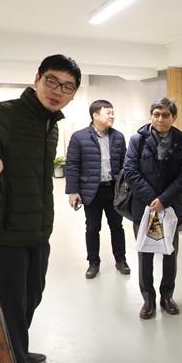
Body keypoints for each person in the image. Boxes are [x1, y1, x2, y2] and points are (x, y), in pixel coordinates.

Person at [0, 54, 81, 363]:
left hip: (37, 230)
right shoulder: (7, 113)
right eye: (52, 81)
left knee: (32, 295)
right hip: (3, 231)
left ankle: (10, 355)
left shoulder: (50, 125)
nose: (57, 90)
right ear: (37, 78)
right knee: (11, 306)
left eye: (67, 86)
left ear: (73, 93)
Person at [124, 97, 182, 319]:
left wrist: (164, 200)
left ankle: (167, 296)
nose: (161, 119)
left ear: (174, 117)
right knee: (145, 254)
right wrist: (153, 199)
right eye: (156, 114)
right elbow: (130, 171)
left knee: (170, 253)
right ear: (151, 116)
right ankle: (148, 299)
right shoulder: (138, 140)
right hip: (144, 208)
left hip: (170, 209)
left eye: (166, 115)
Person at [65, 100, 129, 279]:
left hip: (113, 191)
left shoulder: (118, 137)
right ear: (95, 115)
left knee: (117, 226)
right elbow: (72, 165)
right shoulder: (79, 137)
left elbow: (124, 165)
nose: (112, 116)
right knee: (93, 228)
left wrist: (126, 188)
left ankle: (121, 260)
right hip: (91, 191)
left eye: (113, 112)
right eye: (108, 113)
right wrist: (73, 191)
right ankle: (93, 263)